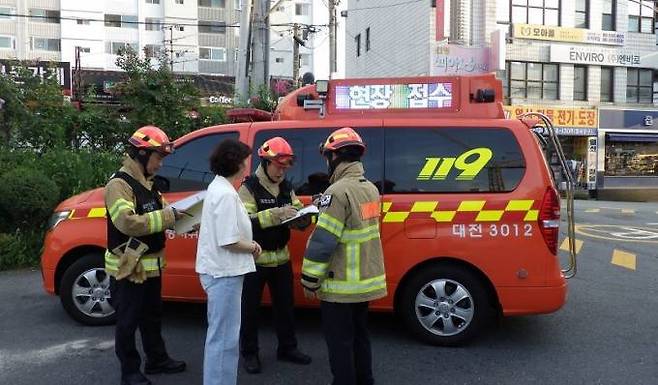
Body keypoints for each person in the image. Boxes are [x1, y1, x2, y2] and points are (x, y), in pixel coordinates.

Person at [300, 127, 387, 385]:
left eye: (327, 156)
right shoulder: (369, 188)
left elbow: (324, 242)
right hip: (363, 282)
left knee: (340, 343)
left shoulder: (337, 193)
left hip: (340, 285)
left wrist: (309, 280)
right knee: (360, 337)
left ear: (335, 157)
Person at [105, 125, 187, 385]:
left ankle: (157, 360)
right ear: (142, 154)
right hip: (128, 268)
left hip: (150, 267)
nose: (161, 164)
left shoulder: (148, 185)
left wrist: (186, 220)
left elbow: (164, 215)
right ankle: (129, 372)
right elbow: (127, 222)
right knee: (127, 322)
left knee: (152, 316)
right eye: (158, 157)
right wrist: (168, 217)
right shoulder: (120, 184)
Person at [238, 137, 312, 374]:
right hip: (255, 259)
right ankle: (250, 353)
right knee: (249, 310)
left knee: (285, 308)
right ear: (265, 161)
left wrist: (304, 217)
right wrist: (277, 214)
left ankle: (287, 348)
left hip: (281, 258)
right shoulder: (248, 188)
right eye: (278, 166)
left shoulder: (286, 186)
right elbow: (245, 223)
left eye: (285, 167)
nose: (282, 171)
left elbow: (297, 209)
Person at [196, 138, 261, 385]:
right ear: (235, 162)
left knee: (222, 337)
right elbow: (228, 240)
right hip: (224, 273)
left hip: (222, 272)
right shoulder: (225, 194)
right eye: (246, 159)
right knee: (224, 339)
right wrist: (253, 247)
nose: (248, 165)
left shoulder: (220, 188)